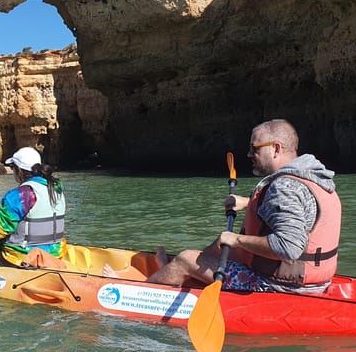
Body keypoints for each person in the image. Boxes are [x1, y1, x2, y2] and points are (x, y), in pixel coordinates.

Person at [145, 119, 342, 293]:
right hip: (316, 282)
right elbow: (300, 211)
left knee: (187, 258)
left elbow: (288, 247)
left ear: (276, 148)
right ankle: (174, 273)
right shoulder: (314, 178)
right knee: (222, 247)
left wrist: (237, 239)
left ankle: (155, 284)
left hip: (278, 286)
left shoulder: (285, 187)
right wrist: (249, 203)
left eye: (255, 148)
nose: (249, 154)